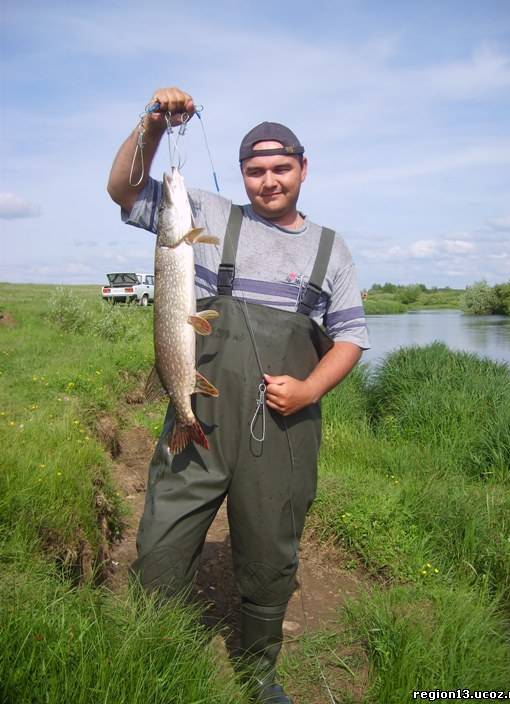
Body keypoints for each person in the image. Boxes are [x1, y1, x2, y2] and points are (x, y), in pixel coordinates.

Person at [107, 86, 370, 704]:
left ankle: (258, 670)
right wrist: (151, 125)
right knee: (163, 538)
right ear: (243, 173)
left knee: (270, 549)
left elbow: (351, 338)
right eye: (256, 170)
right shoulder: (201, 214)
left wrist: (308, 388)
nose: (268, 181)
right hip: (196, 411)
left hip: (282, 428)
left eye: (281, 169)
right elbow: (124, 188)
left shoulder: (331, 251)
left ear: (304, 169)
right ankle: (151, 646)